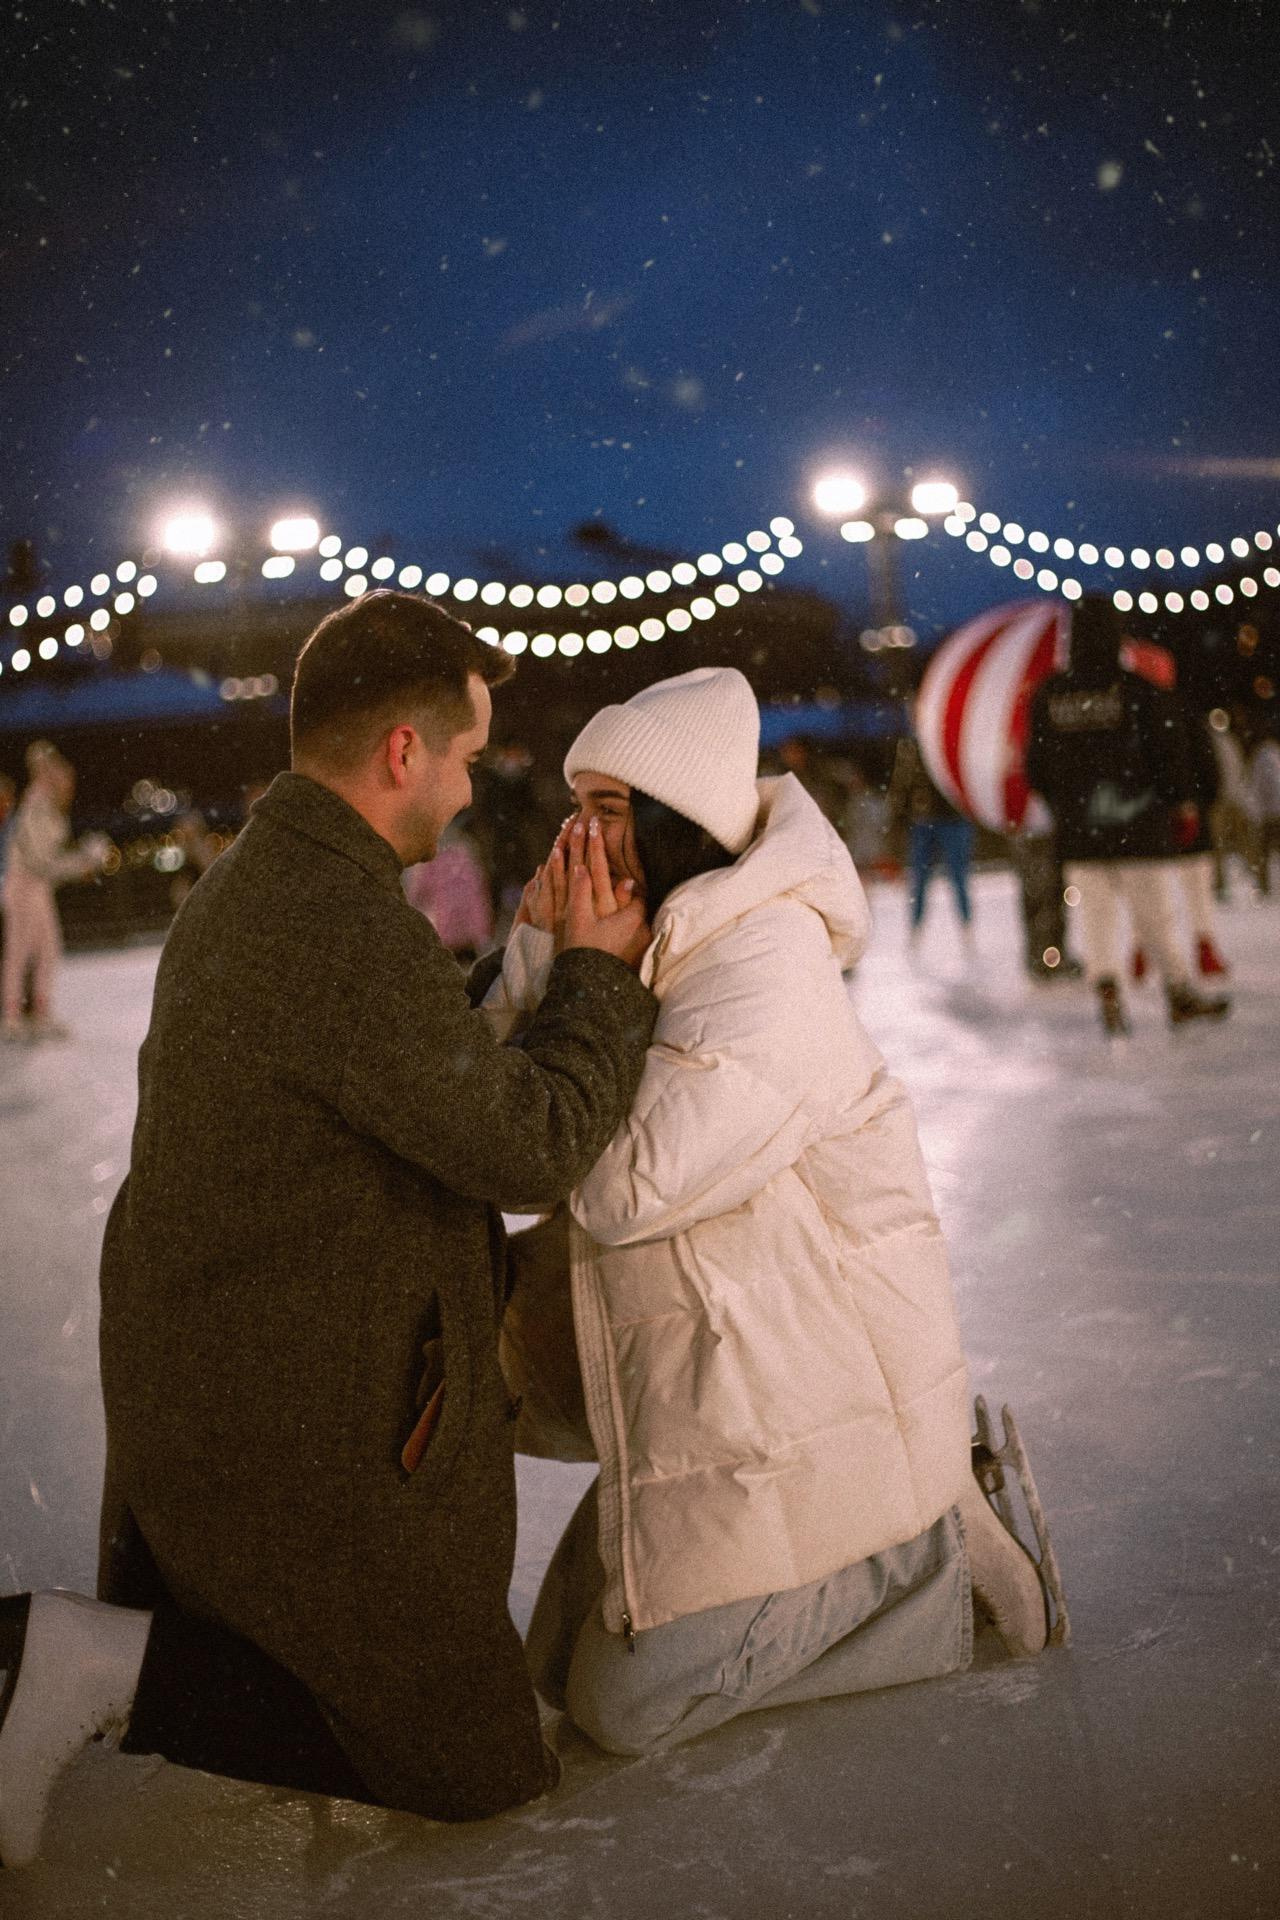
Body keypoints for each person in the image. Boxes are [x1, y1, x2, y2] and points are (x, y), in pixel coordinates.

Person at [0, 591, 657, 1869]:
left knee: (453, 1734)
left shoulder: (279, 882)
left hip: (241, 1382)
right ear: (403, 752)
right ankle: (95, 1661)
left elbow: (398, 1066)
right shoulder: (334, 923)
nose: (467, 791)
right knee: (475, 1765)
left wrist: (522, 960)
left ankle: (126, 1660)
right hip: (290, 1426)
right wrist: (591, 975)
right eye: (465, 757)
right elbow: (526, 1145)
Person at [486, 667, 1067, 1760]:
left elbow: (618, 1188)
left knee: (624, 1708)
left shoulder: (766, 959)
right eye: (575, 807)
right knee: (552, 1670)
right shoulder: (641, 935)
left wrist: (583, 970)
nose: (577, 837)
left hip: (813, 1388)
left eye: (607, 810)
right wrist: (541, 951)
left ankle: (935, 1557)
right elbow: (509, 1142)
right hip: (717, 1377)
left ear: (678, 821)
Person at [1026, 597, 1230, 1038]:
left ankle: (1108, 993)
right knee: (1156, 915)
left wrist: (1066, 804)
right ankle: (1179, 993)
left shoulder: (1049, 695)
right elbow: (1168, 755)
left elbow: (1036, 767)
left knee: (1095, 918)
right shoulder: (1139, 692)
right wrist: (1181, 803)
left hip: (1079, 833)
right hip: (1139, 829)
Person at [1, 741, 106, 1042]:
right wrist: (83, 862)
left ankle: (39, 1012)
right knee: (20, 950)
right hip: (23, 885)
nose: (69, 786)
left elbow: (49, 863)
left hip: (37, 886)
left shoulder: (51, 809)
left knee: (47, 949)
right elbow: (41, 861)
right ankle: (12, 1016)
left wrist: (81, 862)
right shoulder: (37, 805)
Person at [887, 725, 975, 942]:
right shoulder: (913, 743)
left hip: (951, 818)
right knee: (920, 880)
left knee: (957, 876)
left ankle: (966, 928)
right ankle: (916, 930)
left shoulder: (952, 737)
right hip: (925, 820)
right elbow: (903, 781)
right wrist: (899, 814)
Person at [1251, 725, 1280, 893]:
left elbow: (1258, 786)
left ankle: (1264, 886)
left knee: (1264, 852)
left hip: (1270, 812)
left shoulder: (1262, 755)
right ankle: (1264, 886)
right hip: (1272, 811)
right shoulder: (1271, 754)